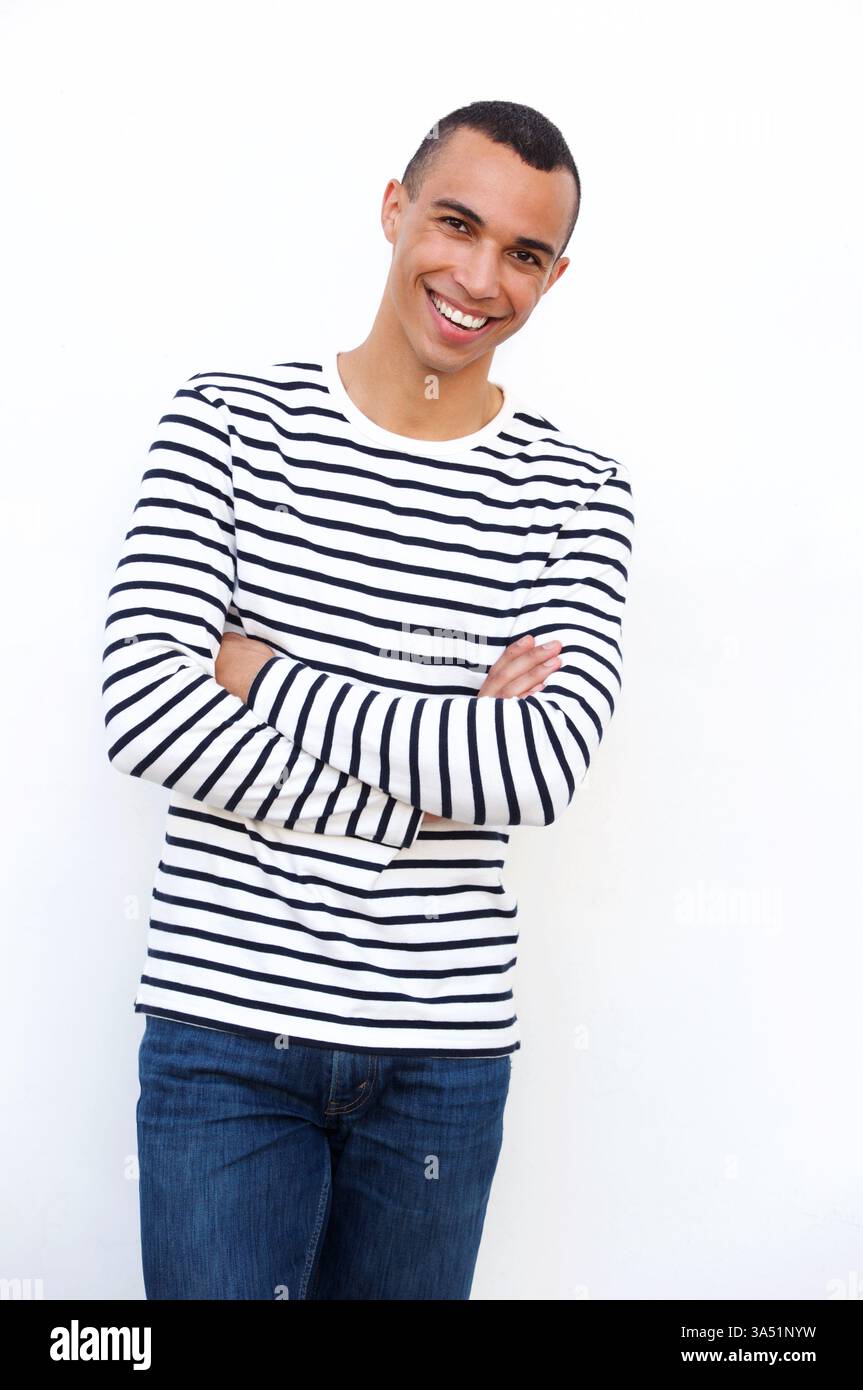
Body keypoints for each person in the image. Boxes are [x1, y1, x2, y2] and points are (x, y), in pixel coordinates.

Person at [101, 99, 635, 1300]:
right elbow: (143, 706)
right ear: (393, 211)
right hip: (225, 1033)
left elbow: (532, 774)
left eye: (523, 253)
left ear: (554, 276)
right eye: (455, 223)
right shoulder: (227, 427)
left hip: (442, 1059)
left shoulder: (577, 494)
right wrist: (428, 796)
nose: (478, 276)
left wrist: (262, 675)